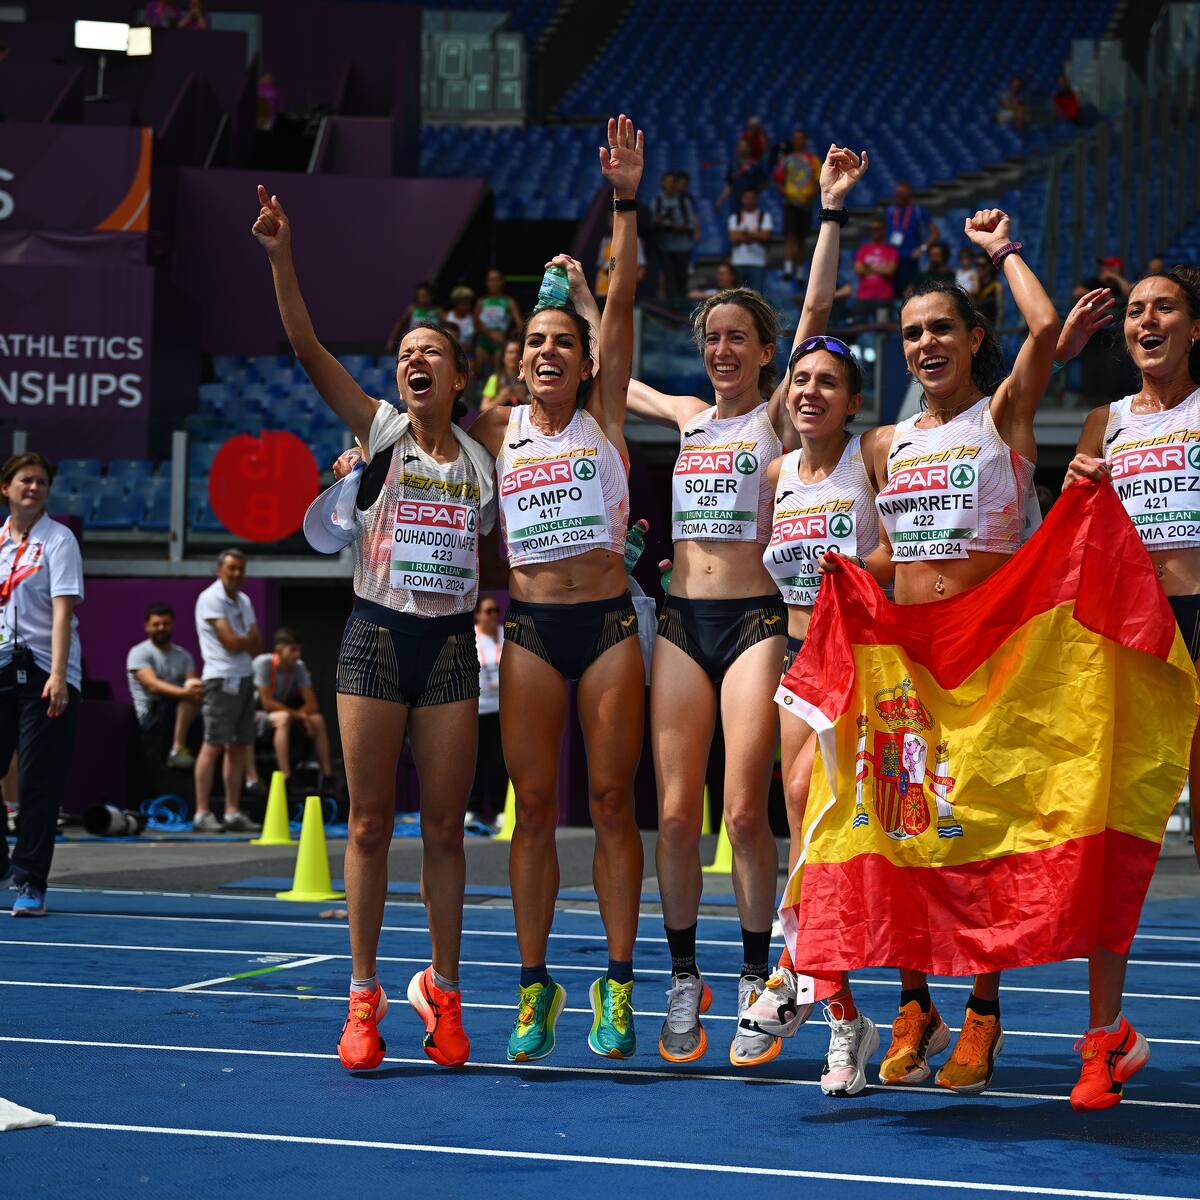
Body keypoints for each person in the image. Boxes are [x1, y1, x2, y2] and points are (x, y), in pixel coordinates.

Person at [625, 145, 867, 1068]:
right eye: (712, 337)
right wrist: (570, 293)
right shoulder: (687, 416)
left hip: (759, 621)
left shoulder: (776, 417)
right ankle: (684, 976)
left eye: (739, 338)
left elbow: (813, 315)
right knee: (676, 815)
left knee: (741, 813)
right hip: (682, 624)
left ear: (767, 354)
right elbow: (608, 374)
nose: (723, 349)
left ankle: (761, 979)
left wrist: (833, 214)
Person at [254, 182, 496, 1071]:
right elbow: (307, 348)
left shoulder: (482, 462)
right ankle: (362, 998)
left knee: (442, 828)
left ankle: (442, 988)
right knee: (365, 824)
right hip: (375, 633)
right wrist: (283, 255)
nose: (414, 362)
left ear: (460, 376)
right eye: (405, 353)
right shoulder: (380, 429)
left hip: (448, 649)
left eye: (431, 352)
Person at [866, 210, 1059, 1094]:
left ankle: (982, 1010)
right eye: (910, 333)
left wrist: (1003, 252)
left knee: (979, 840)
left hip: (987, 660)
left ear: (975, 338)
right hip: (908, 664)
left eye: (941, 327)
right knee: (905, 835)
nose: (924, 343)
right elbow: (890, 556)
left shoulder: (1003, 415)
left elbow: (1048, 327)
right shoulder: (887, 445)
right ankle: (915, 1004)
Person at [467, 114, 646, 1063]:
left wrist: (621, 200)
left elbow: (617, 305)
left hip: (610, 624)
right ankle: (535, 986)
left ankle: (616, 987)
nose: (548, 352)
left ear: (583, 361)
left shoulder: (605, 411)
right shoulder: (498, 431)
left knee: (613, 802)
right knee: (532, 810)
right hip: (531, 629)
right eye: (534, 341)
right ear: (518, 355)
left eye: (561, 343)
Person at [1058, 265, 1200, 1107]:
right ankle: (1103, 1039)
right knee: (1111, 845)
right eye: (1137, 312)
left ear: (1194, 328)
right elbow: (1068, 547)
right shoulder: (1103, 422)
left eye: (1166, 308)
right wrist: (1072, 496)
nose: (1147, 321)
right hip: (1131, 636)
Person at [0, 452, 83, 917]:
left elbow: (62, 610)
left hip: (46, 672)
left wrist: (56, 674)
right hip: (1, 665)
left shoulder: (59, 539)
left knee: (37, 782)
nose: (33, 487)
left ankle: (30, 881)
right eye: (24, 480)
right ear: (6, 488)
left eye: (41, 482)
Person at [193, 549, 262, 833]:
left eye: (240, 569)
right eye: (231, 568)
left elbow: (256, 643)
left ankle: (232, 811)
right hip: (220, 680)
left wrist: (241, 639)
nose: (236, 574)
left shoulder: (243, 600)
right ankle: (202, 812)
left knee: (239, 746)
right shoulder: (209, 598)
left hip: (245, 677)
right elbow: (232, 642)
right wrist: (242, 639)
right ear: (218, 569)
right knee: (213, 745)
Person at [252, 628, 334, 794]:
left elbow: (312, 705)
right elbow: (266, 703)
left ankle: (327, 777)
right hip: (252, 714)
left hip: (280, 712)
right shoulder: (263, 663)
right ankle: (286, 777)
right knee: (283, 718)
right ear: (279, 650)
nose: (297, 655)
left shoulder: (298, 667)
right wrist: (301, 717)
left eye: (299, 650)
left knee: (317, 719)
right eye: (292, 650)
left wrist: (303, 716)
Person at [127, 603, 203, 769]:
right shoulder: (139, 653)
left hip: (179, 715)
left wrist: (193, 690)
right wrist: (186, 693)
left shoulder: (184, 655)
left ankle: (178, 749)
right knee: (189, 699)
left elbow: (194, 685)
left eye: (166, 624)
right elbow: (153, 686)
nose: (161, 628)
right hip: (150, 716)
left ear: (173, 625)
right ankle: (177, 749)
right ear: (147, 626)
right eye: (156, 624)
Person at [468, 596, 506, 827]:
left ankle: (501, 810)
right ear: (478, 614)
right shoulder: (471, 637)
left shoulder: (504, 634)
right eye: (488, 611)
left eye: (495, 611)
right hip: (478, 709)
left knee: (500, 761)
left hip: (501, 709)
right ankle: (473, 809)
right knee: (477, 760)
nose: (493, 615)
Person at [774, 129, 821, 279]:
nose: (797, 141)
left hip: (805, 203)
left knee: (801, 239)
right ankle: (788, 269)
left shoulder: (813, 160)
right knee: (790, 236)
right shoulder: (786, 160)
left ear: (805, 140)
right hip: (790, 203)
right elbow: (779, 182)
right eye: (795, 138)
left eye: (800, 138)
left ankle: (800, 271)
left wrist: (808, 196)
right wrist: (788, 195)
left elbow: (819, 182)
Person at [884, 181, 939, 295]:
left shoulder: (917, 211)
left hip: (909, 258)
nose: (899, 195)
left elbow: (935, 232)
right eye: (897, 193)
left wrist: (922, 248)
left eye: (902, 193)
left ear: (909, 194)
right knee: (891, 292)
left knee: (908, 292)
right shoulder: (889, 210)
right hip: (891, 257)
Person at [654, 171, 700, 304]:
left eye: (673, 182)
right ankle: (671, 312)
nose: (670, 185)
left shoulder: (684, 201)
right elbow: (652, 222)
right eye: (667, 181)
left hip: (683, 247)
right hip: (665, 247)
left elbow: (691, 224)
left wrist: (678, 227)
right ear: (662, 184)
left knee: (682, 280)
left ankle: (682, 311)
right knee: (669, 281)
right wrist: (661, 223)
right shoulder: (657, 201)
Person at [474, 269, 523, 377]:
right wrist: (490, 334)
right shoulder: (481, 302)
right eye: (490, 280)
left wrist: (512, 336)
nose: (493, 283)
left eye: (496, 280)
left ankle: (499, 389)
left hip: (500, 340)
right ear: (487, 283)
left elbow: (520, 324)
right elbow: (475, 323)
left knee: (499, 363)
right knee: (479, 363)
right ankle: (479, 390)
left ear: (502, 282)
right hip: (484, 339)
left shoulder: (509, 302)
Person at [728, 187, 773, 295]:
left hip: (757, 263)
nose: (749, 200)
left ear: (756, 199)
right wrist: (756, 234)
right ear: (742, 199)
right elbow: (733, 238)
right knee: (737, 297)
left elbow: (766, 236)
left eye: (751, 198)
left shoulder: (764, 216)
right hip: (738, 262)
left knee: (756, 297)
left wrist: (745, 233)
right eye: (746, 198)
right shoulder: (735, 217)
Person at [853, 218, 899, 321]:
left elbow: (889, 271)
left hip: (883, 298)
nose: (874, 231)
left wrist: (868, 266)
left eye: (877, 228)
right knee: (859, 327)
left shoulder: (891, 250)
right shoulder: (863, 249)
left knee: (881, 328)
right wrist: (881, 268)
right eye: (872, 229)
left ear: (884, 230)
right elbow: (858, 270)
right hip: (863, 297)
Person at [596, 210, 646, 297]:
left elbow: (641, 268)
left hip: (623, 293)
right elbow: (602, 265)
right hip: (603, 291)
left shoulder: (635, 241)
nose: (612, 221)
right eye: (610, 219)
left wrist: (627, 284)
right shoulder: (605, 241)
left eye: (614, 218)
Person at [715, 137, 767, 219]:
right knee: (734, 229)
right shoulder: (732, 165)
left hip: (750, 205)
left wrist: (755, 194)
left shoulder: (756, 165)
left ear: (749, 148)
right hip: (736, 204)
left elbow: (765, 182)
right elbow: (729, 186)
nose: (742, 148)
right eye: (740, 146)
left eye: (744, 146)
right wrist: (720, 201)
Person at [386, 282, 443, 354]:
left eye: (425, 296)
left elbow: (448, 328)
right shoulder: (412, 309)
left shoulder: (438, 311)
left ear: (431, 296)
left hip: (433, 345)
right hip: (413, 343)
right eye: (420, 296)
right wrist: (390, 340)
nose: (423, 299)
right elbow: (399, 324)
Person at [480, 337, 527, 411]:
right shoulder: (494, 379)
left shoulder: (528, 379)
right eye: (510, 352)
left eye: (517, 352)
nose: (514, 356)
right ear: (503, 357)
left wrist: (522, 397)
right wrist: (502, 397)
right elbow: (483, 408)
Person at [446, 286, 476, 358]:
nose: (468, 306)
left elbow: (474, 341)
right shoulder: (447, 317)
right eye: (464, 303)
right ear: (456, 303)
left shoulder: (473, 318)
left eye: (468, 303)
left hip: (468, 353)